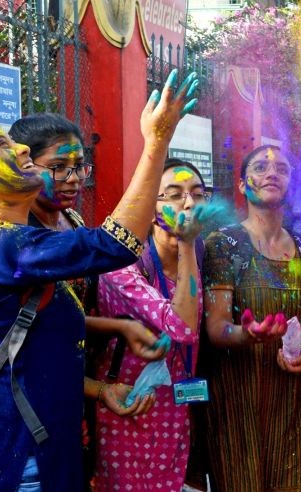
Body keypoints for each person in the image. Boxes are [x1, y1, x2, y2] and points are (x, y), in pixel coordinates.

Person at [0, 69, 197, 490]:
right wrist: (156, 143)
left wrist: (102, 388)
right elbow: (115, 244)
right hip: (10, 463)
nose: (21, 146)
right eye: (2, 145)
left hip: (37, 454)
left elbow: (29, 356)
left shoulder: (12, 244)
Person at [9, 113, 165, 487]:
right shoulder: (21, 233)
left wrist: (121, 326)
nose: (74, 178)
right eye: (59, 167)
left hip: (76, 385)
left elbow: (65, 312)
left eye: (79, 166)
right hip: (34, 393)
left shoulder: (73, 221)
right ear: (26, 167)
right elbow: (35, 332)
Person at [201, 145, 301, 492]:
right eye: (260, 167)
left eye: (282, 170)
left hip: (293, 403)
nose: (272, 173)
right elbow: (216, 328)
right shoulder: (224, 244)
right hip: (239, 406)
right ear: (242, 185)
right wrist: (248, 334)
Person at [93, 159, 209, 490]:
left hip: (176, 411)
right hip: (127, 409)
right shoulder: (123, 265)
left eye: (197, 194)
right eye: (173, 195)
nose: (188, 203)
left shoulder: (204, 257)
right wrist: (186, 243)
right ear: (149, 204)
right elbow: (182, 327)